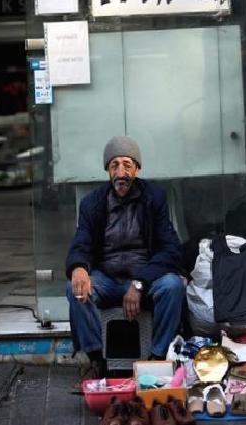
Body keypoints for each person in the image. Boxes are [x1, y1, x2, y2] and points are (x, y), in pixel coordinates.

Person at [65, 136, 186, 378]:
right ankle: (97, 360)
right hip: (107, 280)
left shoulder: (154, 198)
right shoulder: (93, 203)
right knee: (74, 288)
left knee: (173, 286)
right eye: (114, 165)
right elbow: (81, 243)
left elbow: (171, 249)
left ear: (137, 169)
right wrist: (78, 267)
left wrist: (140, 282)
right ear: (107, 171)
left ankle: (157, 357)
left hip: (146, 280)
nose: (121, 172)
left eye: (127, 165)